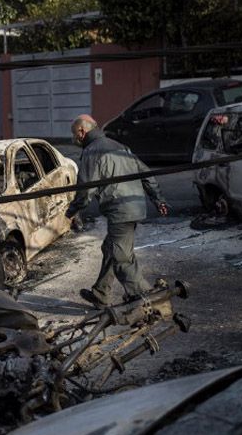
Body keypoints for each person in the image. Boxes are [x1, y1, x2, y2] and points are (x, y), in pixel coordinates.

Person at [65, 114, 168, 309]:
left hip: (120, 210)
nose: (74, 139)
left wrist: (71, 212)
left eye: (74, 135)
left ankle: (150, 301)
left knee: (122, 259)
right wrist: (158, 199)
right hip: (135, 206)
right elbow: (146, 173)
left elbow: (85, 189)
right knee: (110, 248)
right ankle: (100, 294)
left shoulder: (91, 151)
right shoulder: (120, 147)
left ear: (82, 131)